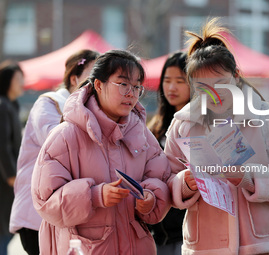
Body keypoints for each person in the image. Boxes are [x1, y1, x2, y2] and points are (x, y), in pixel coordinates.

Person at [164, 18, 269, 255]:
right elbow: (165, 179)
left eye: (222, 83)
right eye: (203, 87)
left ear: (237, 76)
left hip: (264, 246)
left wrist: (250, 179)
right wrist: (184, 184)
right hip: (205, 247)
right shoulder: (183, 124)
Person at [31, 49, 171, 255]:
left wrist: (150, 199)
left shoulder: (142, 134)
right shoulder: (66, 135)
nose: (131, 93)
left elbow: (161, 179)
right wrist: (94, 196)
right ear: (98, 84)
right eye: (123, 84)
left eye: (136, 87)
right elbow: (45, 201)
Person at [9, 49, 99, 255]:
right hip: (37, 212)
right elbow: (55, 143)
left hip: (64, 211)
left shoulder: (92, 111)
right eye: (92, 77)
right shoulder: (49, 103)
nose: (97, 84)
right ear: (75, 79)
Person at [147, 51, 190, 255]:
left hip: (187, 231)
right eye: (167, 80)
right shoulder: (154, 126)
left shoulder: (198, 126)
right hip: (157, 229)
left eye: (180, 81)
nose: (171, 87)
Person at [0, 61, 24, 255]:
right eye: (18, 79)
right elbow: (2, 146)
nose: (22, 83)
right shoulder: (2, 105)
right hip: (4, 181)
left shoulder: (12, 105)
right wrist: (11, 176)